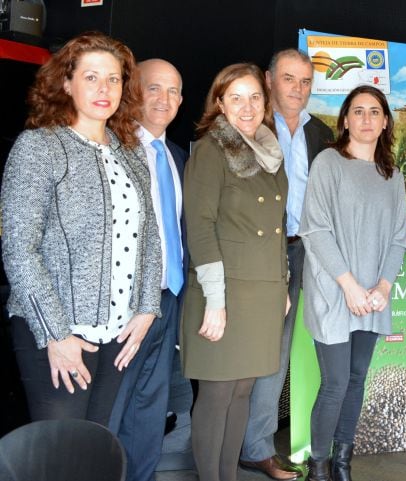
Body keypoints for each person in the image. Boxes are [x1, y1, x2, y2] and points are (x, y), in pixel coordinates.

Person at [0, 31, 161, 427]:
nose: (104, 88)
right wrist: (56, 335)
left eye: (114, 78)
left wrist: (147, 309)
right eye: (91, 77)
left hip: (118, 333)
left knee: (94, 448)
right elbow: (20, 249)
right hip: (57, 333)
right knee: (61, 456)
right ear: (66, 83)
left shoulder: (130, 150)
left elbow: (151, 235)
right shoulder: (39, 147)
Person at [181, 63, 289, 481]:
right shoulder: (211, 149)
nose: (247, 107)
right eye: (236, 97)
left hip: (262, 289)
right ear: (220, 102)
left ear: (265, 102)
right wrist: (214, 300)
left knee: (243, 391)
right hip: (224, 290)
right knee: (218, 392)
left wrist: (281, 283)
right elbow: (201, 227)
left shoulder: (269, 150)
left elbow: (280, 226)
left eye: (255, 97)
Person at [300, 85, 406, 481]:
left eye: (374, 111)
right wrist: (348, 286)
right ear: (345, 120)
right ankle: (319, 467)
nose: (366, 119)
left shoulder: (391, 174)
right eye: (358, 111)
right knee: (335, 383)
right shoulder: (328, 163)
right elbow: (315, 230)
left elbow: (399, 238)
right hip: (335, 292)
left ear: (384, 122)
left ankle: (344, 461)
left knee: (357, 378)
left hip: (374, 297)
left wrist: (382, 287)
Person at [240, 49, 333, 481]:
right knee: (255, 349)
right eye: (289, 79)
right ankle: (244, 446)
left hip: (307, 251)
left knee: (281, 352)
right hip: (261, 253)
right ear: (269, 79)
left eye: (306, 81)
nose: (298, 89)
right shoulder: (249, 128)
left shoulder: (322, 134)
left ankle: (255, 446)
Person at [108, 58, 188, 481]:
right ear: (132, 91)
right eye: (154, 88)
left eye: (174, 90)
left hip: (167, 299)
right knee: (112, 410)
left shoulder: (176, 155)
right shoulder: (111, 149)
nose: (165, 99)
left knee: (149, 410)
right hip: (122, 306)